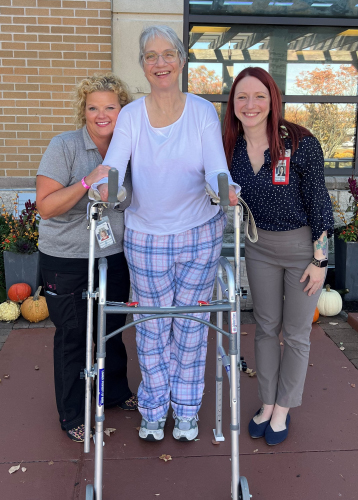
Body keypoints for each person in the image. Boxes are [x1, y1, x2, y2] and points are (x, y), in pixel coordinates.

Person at [94, 25, 239, 442]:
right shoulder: (132, 116)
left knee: (192, 324)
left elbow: (215, 165)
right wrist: (110, 187)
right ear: (142, 65)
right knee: (153, 326)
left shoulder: (201, 111)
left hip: (199, 235)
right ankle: (155, 408)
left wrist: (223, 187)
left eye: (167, 54)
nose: (160, 63)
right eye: (150, 56)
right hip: (146, 238)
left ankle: (188, 410)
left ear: (181, 59)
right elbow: (115, 168)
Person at [223, 67, 334, 446]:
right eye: (242, 97)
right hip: (258, 247)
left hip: (302, 249)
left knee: (297, 333)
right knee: (267, 327)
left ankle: (285, 407)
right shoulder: (230, 146)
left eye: (259, 96)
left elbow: (320, 204)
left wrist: (320, 262)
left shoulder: (301, 142)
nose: (250, 104)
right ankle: (267, 401)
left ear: (272, 99)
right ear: (233, 104)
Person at [35, 74, 137, 444]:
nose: (102, 114)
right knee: (74, 336)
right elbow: (45, 208)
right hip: (67, 258)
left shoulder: (128, 148)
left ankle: (115, 393)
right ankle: (73, 414)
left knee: (111, 328)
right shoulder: (64, 146)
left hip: (113, 254)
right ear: (84, 110)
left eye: (110, 106)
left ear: (122, 110)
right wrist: (85, 182)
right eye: (93, 107)